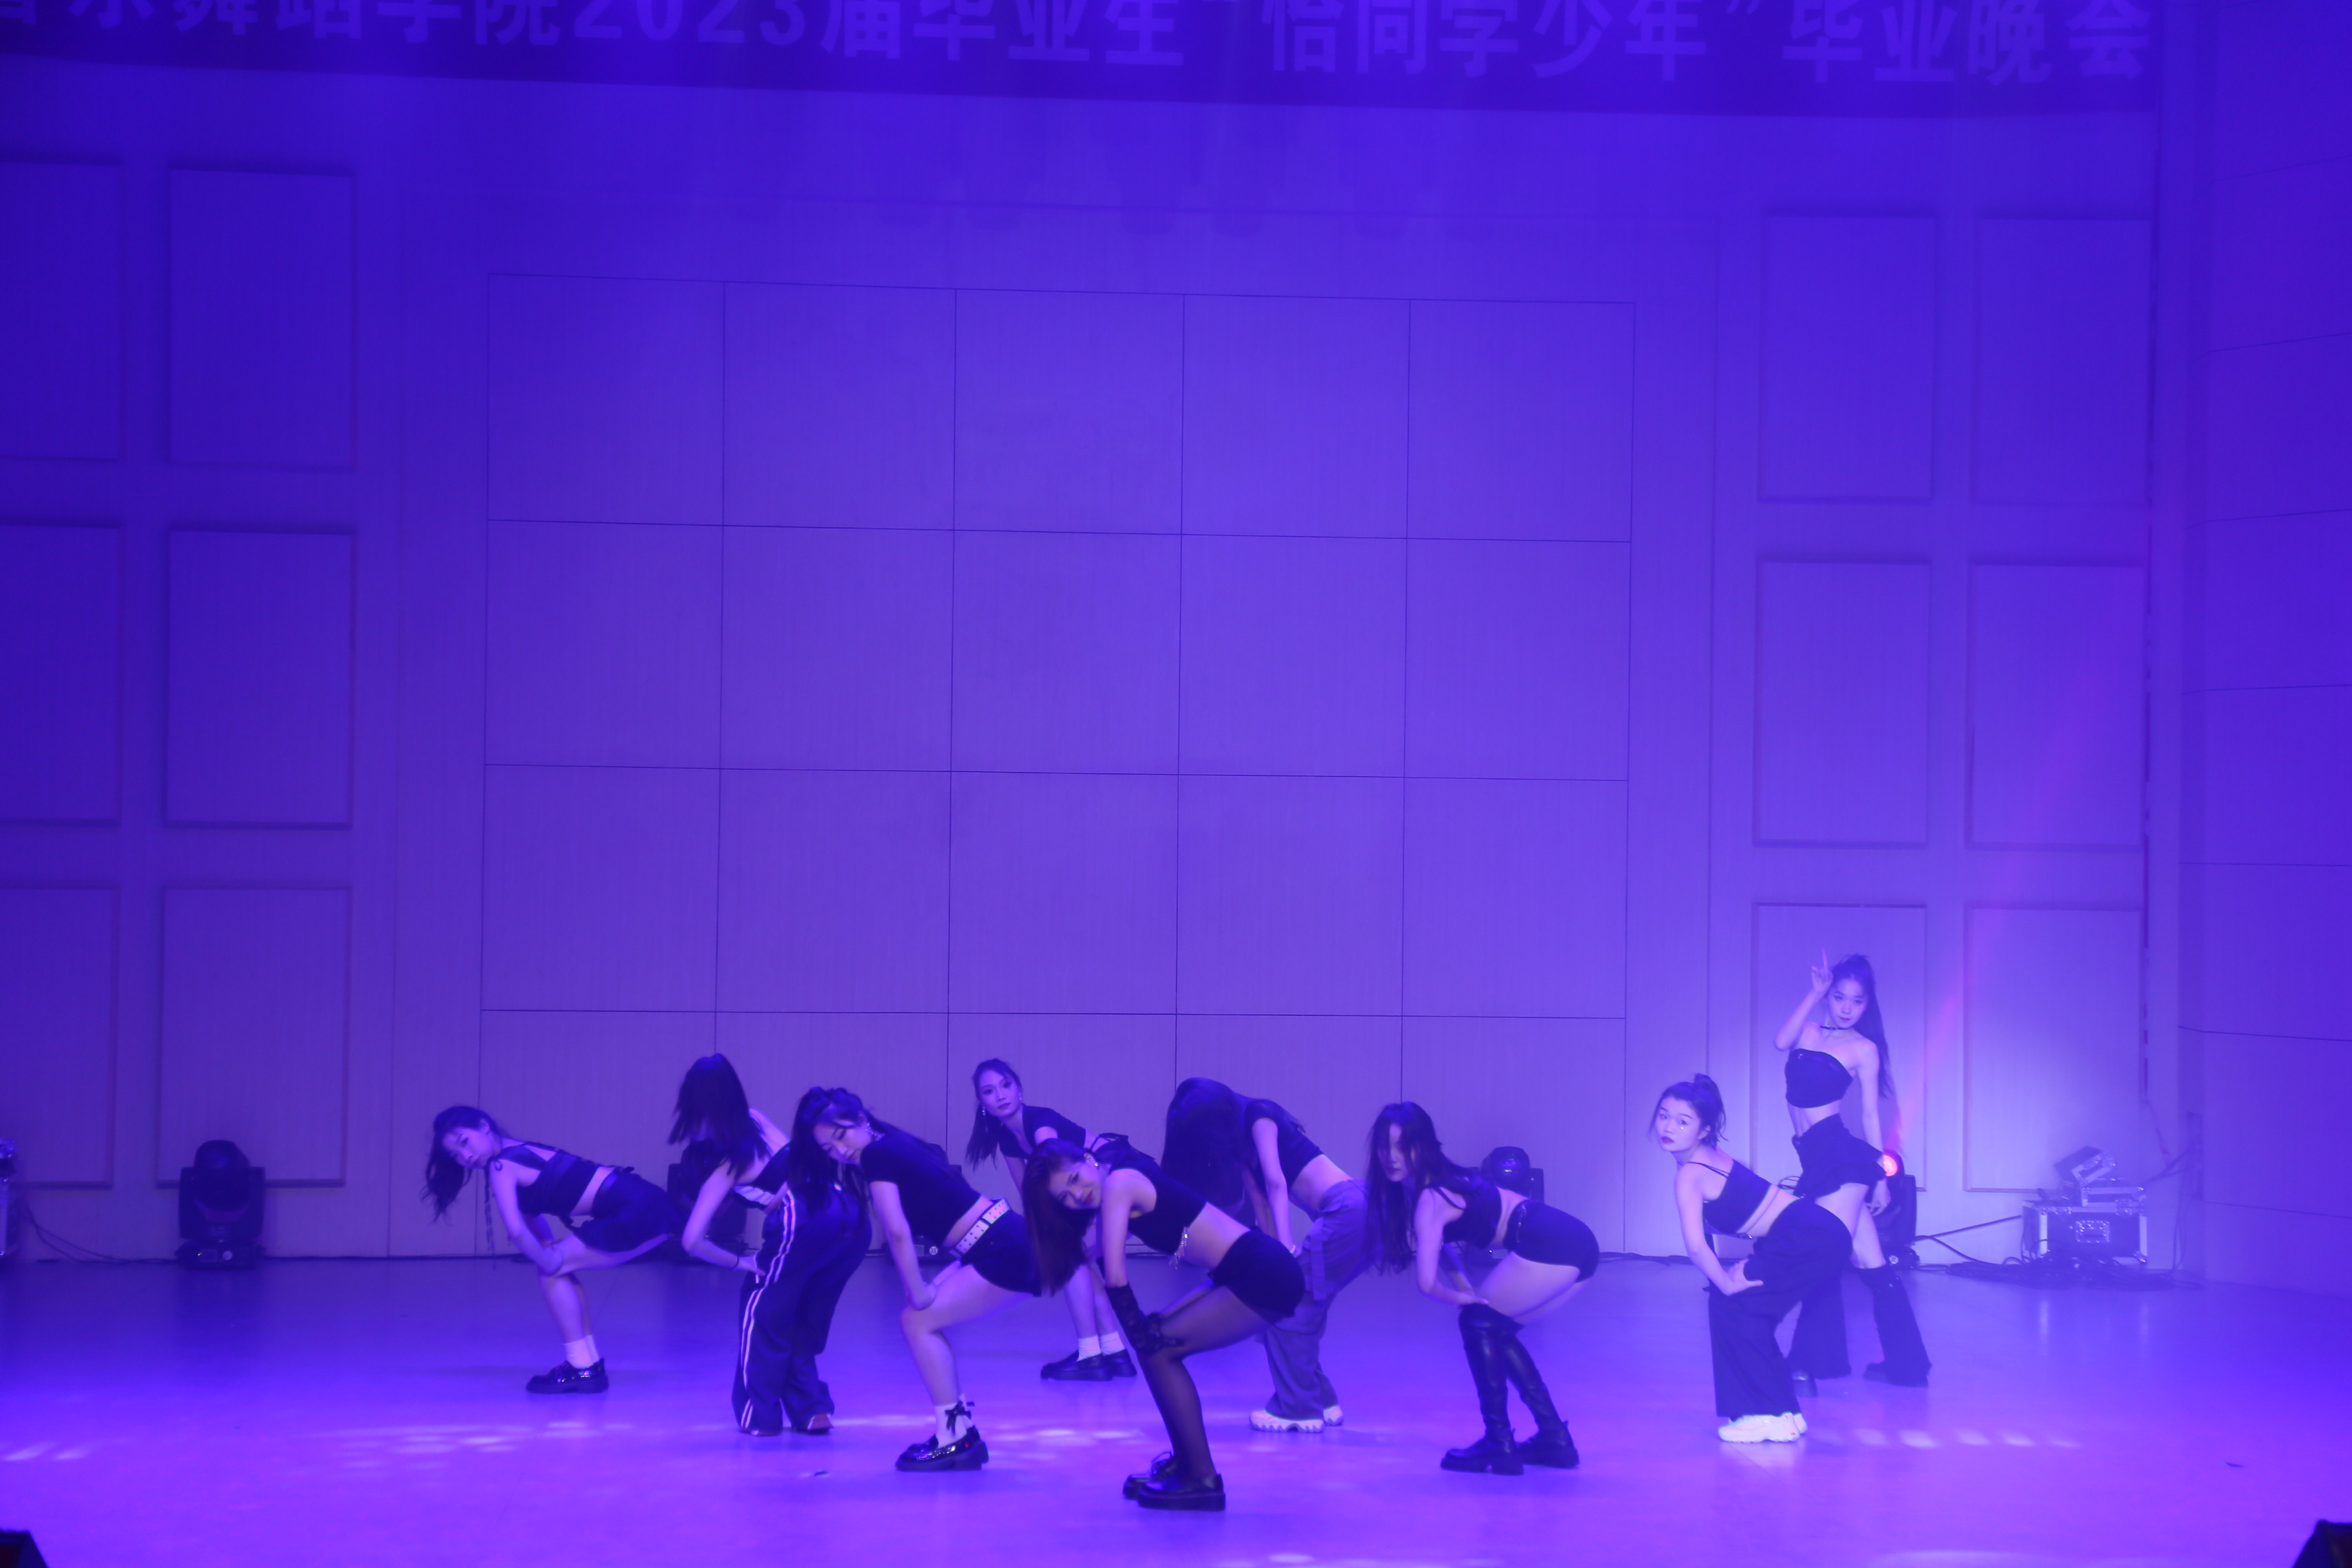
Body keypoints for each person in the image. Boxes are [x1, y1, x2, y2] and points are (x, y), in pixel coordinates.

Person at [1025, 1137, 1304, 1511]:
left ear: (1089, 1160)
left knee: (1157, 1353)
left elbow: (1115, 1278)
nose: (1078, 1195)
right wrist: (1149, 1328)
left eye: (1075, 1179)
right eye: (1065, 1197)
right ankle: (1186, 1462)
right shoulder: (1115, 1182)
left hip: (1263, 1272)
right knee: (1155, 1343)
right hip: (1235, 1272)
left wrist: (1139, 1334)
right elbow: (1193, 1244)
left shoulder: (1119, 1184)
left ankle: (1202, 1478)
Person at [805, 1087, 1039, 1473]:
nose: (841, 1151)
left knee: (917, 1321)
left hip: (1003, 1247)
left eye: (842, 1135)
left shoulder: (877, 1154)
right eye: (829, 1149)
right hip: (995, 1240)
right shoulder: (894, 1144)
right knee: (918, 1321)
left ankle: (955, 1438)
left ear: (861, 1120)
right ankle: (959, 1431)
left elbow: (897, 1232)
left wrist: (918, 1292)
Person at [1364, 1102, 1588, 1475]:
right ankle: (1554, 1439)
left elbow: (1425, 1284)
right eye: (1384, 1147)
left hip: (1550, 1239)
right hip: (1570, 1238)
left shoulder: (1431, 1197)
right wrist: (1465, 1287)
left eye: (1403, 1147)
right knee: (1495, 1329)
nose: (1392, 1157)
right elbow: (1443, 1244)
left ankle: (1499, 1442)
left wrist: (1461, 1299)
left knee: (1477, 1322)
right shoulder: (1431, 1185)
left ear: (1424, 1146)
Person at [669, 1057, 867, 1436]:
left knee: (762, 1314)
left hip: (805, 1217)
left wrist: (739, 1263)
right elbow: (800, 1159)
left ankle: (758, 1416)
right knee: (804, 1316)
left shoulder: (727, 1163)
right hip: (850, 1212)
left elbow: (692, 1240)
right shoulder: (756, 1119)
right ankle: (811, 1409)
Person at [1161, 1078, 1369, 1435]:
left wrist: (1286, 1250)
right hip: (1349, 1214)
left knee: (1288, 1310)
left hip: (1349, 1208)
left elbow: (1275, 1183)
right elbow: (1260, 1203)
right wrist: (1275, 1259)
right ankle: (1322, 1400)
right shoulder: (1242, 1146)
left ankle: (1298, 1409)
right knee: (1293, 1306)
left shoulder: (1260, 1116)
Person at [424, 1104, 681, 1394]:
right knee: (557, 1268)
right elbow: (531, 1215)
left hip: (636, 1209)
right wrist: (547, 1251)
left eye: (464, 1143)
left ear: (484, 1126)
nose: (466, 1157)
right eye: (456, 1156)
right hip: (644, 1201)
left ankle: (582, 1367)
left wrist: (548, 1259)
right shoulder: (517, 1150)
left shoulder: (501, 1166)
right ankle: (587, 1364)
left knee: (552, 1271)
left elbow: (516, 1231)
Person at [1654, 1072, 1854, 1443]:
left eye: (1682, 1122)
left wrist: (1727, 1282)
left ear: (1703, 1130)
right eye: (1664, 1116)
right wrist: (1724, 1283)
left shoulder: (1691, 1173)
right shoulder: (1703, 1157)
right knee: (1738, 1307)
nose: (1668, 1127)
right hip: (1810, 1232)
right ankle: (1784, 1413)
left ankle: (1770, 1414)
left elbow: (1696, 1246)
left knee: (1739, 1306)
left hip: (1806, 1236)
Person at [1772, 952, 1932, 1389]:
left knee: (1823, 1253)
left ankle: (1807, 1365)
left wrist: (1880, 1177)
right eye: (1839, 997)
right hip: (1814, 1157)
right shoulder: (1808, 1031)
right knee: (1871, 1262)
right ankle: (1907, 1365)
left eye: (1857, 1001)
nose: (1846, 1008)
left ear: (1867, 1004)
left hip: (1839, 1158)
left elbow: (1870, 1116)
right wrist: (1814, 993)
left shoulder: (1863, 1049)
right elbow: (1780, 1041)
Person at [961, 1058, 1132, 1380]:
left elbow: (1055, 1166)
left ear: (1019, 1088)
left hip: (1119, 1181)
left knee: (1070, 1258)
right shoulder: (1007, 1137)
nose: (1000, 1095)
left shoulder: (1040, 1121)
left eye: (1006, 1085)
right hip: (1096, 1194)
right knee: (1075, 1260)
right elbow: (1028, 1191)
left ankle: (1093, 1355)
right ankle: (1114, 1353)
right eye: (989, 1091)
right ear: (982, 1103)